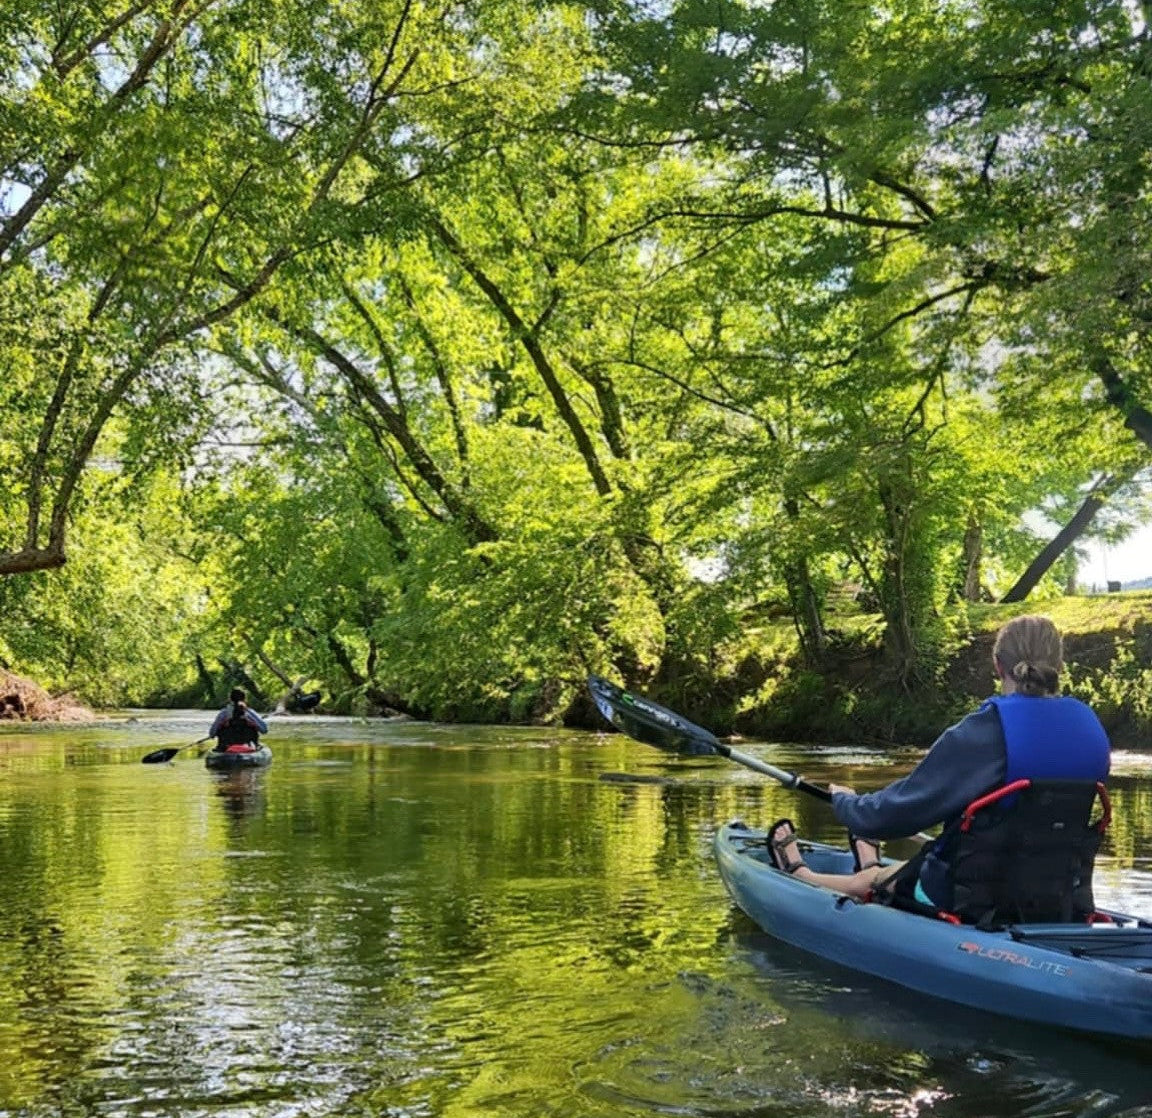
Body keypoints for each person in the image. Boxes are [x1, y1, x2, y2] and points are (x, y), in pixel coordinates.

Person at [767, 615, 1111, 912]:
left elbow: (895, 813)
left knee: (878, 881)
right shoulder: (1090, 727)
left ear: (998, 666)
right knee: (912, 865)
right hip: (1057, 895)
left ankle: (804, 875)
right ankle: (869, 861)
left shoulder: (987, 730)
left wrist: (846, 803)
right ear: (1059, 666)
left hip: (966, 897)